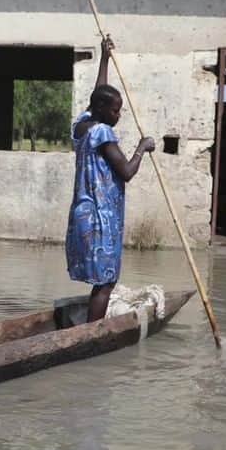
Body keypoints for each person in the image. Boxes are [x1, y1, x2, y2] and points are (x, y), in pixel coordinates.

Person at [65, 35, 156, 323]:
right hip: (101, 218)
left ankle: (90, 328)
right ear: (103, 111)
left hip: (82, 213)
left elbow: (97, 95)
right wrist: (142, 148)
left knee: (100, 281)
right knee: (106, 282)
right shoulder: (103, 132)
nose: (118, 115)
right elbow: (126, 172)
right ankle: (92, 334)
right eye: (115, 110)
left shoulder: (81, 126)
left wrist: (104, 58)